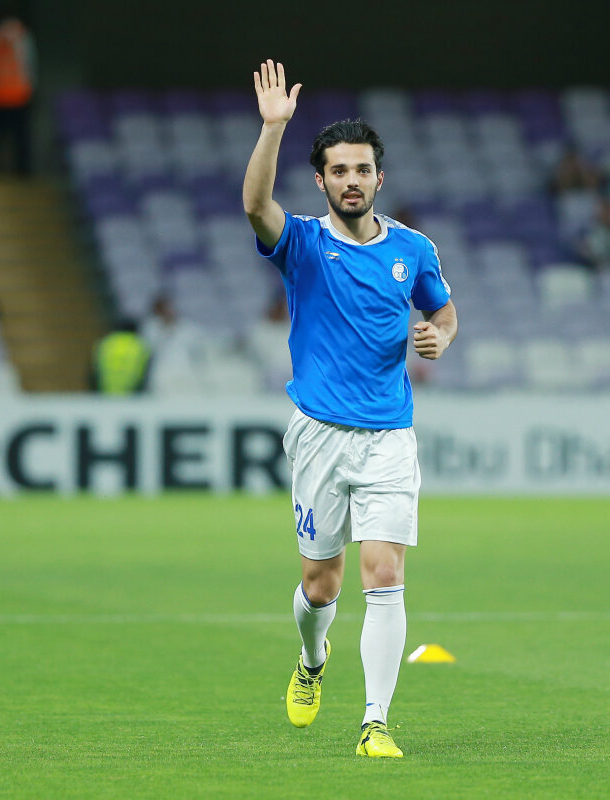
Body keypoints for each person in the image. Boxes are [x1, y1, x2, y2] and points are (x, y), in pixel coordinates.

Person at [243, 60, 457, 759]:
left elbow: (443, 311)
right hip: (319, 436)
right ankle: (312, 660)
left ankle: (375, 723)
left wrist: (440, 336)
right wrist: (273, 129)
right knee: (320, 583)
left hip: (389, 435)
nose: (352, 180)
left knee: (385, 575)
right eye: (339, 171)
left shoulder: (413, 250)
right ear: (322, 182)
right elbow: (255, 205)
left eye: (362, 169)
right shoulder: (303, 245)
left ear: (379, 178)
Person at [0, 7, 35, 174]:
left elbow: (29, 64)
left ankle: (24, 174)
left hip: (18, 96)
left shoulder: (22, 37)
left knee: (21, 139)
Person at [90, 318, 150, 394]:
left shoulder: (106, 343)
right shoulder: (139, 345)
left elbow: (94, 371)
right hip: (132, 395)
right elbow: (146, 372)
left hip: (106, 393)